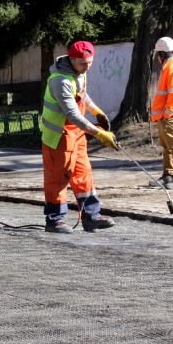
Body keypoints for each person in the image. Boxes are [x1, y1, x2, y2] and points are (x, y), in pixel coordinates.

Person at [41, 41, 119, 233]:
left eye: (90, 62)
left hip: (76, 135)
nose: (87, 67)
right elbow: (73, 115)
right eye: (84, 63)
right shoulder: (59, 81)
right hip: (58, 136)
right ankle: (55, 220)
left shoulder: (78, 74)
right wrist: (100, 133)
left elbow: (83, 96)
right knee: (58, 178)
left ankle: (91, 216)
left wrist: (97, 111)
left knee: (84, 175)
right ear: (72, 59)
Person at [150, 36, 173, 190]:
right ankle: (168, 175)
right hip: (165, 115)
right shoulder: (169, 68)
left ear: (162, 54)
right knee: (167, 146)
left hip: (170, 115)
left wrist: (167, 113)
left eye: (158, 54)